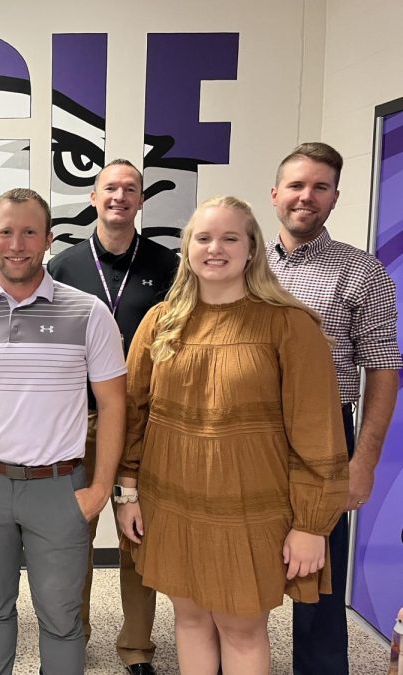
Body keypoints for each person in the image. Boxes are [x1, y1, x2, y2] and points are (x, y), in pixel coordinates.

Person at [118, 196, 349, 674]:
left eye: (229, 238)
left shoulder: (289, 325)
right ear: (187, 249)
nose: (215, 248)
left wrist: (311, 524)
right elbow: (134, 416)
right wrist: (128, 492)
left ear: (251, 249)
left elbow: (318, 433)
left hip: (250, 509)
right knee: (190, 618)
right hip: (172, 502)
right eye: (203, 238)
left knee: (241, 629)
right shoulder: (160, 324)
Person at [0, 188, 127, 675]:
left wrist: (101, 488)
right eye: (6, 232)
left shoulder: (88, 312)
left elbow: (112, 404)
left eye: (29, 232)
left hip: (59, 487)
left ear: (48, 240)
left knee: (62, 618)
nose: (17, 243)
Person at [265, 142, 402, 675]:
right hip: (246, 437)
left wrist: (363, 460)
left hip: (323, 440)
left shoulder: (360, 271)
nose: (307, 197)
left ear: (335, 198)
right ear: (275, 193)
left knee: (315, 583)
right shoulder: (241, 265)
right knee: (236, 571)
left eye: (320, 187)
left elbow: (383, 369)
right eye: (296, 185)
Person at [47, 158, 177, 674]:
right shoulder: (64, 266)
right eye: (109, 188)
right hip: (77, 421)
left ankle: (137, 646)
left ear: (141, 201)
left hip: (144, 420)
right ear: (94, 197)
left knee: (137, 536)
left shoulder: (170, 266)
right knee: (70, 536)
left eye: (130, 189)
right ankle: (72, 636)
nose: (119, 196)